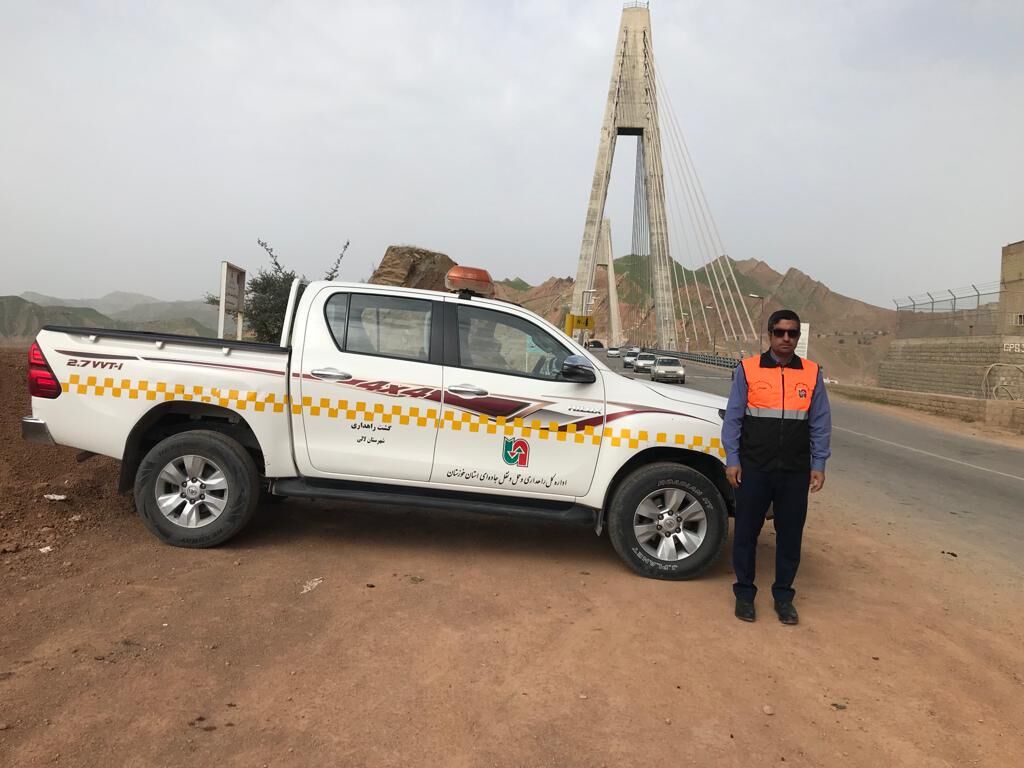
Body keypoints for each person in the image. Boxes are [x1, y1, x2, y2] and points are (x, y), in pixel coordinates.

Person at [721, 309, 831, 625]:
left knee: (790, 537)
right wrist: (733, 459)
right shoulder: (748, 369)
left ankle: (783, 596)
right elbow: (734, 418)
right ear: (769, 334)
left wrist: (819, 462)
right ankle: (744, 594)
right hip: (754, 468)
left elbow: (820, 422)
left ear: (797, 336)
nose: (786, 338)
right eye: (780, 332)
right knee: (745, 533)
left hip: (795, 471)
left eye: (792, 333)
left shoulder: (811, 373)